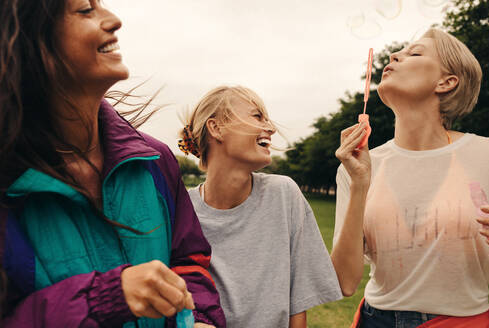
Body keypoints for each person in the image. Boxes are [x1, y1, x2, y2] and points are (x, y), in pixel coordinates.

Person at [0, 0, 225, 327]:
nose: (114, 20)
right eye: (85, 9)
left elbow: (189, 262)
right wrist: (102, 299)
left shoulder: (157, 161)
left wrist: (200, 317)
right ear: (31, 41)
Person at [331, 28, 489, 328]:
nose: (394, 55)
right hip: (373, 319)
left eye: (415, 53)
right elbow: (345, 282)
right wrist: (359, 184)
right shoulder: (360, 164)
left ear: (447, 82)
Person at [178, 85, 343, 327]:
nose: (271, 128)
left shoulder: (284, 194)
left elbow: (297, 303)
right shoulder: (182, 211)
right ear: (216, 128)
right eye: (258, 116)